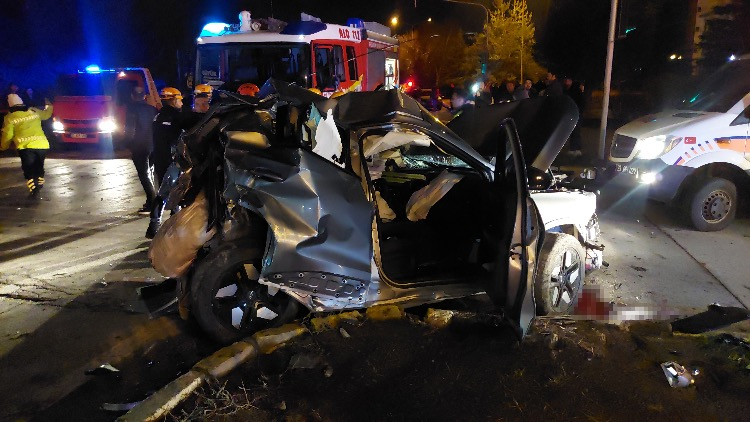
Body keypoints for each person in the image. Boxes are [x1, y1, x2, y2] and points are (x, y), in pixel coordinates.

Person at [1, 94, 53, 195]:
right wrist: (49, 104)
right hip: (42, 144)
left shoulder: (10, 118)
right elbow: (46, 115)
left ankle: (34, 187)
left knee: (28, 167)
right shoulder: (33, 111)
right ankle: (39, 181)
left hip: (25, 146)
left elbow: (7, 135)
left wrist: (3, 147)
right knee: (39, 165)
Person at [124, 86, 158, 214]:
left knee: (144, 175)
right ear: (144, 96)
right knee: (151, 174)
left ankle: (152, 203)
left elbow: (130, 131)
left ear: (132, 96)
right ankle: (152, 201)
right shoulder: (152, 109)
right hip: (153, 146)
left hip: (139, 148)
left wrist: (126, 144)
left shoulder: (132, 110)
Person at [564, 77, 587, 157]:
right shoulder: (577, 91)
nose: (566, 82)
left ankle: (574, 149)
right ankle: (576, 148)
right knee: (576, 132)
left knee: (574, 131)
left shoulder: (572, 92)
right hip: (577, 114)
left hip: (574, 113)